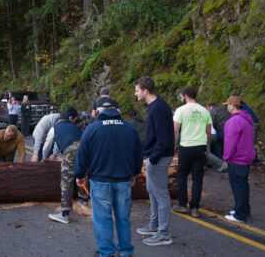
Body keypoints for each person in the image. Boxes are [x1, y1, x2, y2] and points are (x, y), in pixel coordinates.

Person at [75, 100, 143, 257]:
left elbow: (82, 154)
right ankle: (125, 251)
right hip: (123, 180)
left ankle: (107, 252)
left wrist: (79, 175)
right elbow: (138, 153)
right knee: (123, 217)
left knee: (102, 219)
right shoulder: (129, 128)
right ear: (117, 111)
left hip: (100, 181)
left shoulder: (92, 129)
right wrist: (134, 172)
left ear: (99, 113)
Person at [134, 76, 174, 246]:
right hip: (154, 156)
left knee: (161, 194)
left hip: (159, 157)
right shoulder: (155, 106)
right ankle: (154, 225)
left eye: (137, 90)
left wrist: (153, 158)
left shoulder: (158, 108)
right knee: (152, 191)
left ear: (145, 91)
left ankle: (164, 234)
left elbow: (164, 139)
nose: (135, 94)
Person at [172, 86, 212, 218]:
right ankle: (195, 207)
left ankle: (182, 204)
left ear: (185, 96)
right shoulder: (205, 111)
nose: (181, 98)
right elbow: (208, 131)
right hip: (200, 146)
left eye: (181, 96)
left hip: (186, 146)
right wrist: (205, 144)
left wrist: (175, 145)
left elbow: (176, 129)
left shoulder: (180, 110)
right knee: (197, 178)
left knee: (182, 175)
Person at [47, 109, 90, 225]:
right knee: (83, 173)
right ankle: (83, 200)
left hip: (70, 149)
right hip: (84, 148)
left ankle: (64, 214)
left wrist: (44, 157)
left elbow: (48, 144)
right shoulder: (72, 126)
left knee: (67, 181)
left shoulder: (55, 128)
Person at [222, 96, 255, 223]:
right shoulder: (247, 118)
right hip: (246, 156)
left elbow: (230, 142)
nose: (227, 107)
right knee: (243, 185)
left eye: (228, 105)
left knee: (238, 186)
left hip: (237, 158)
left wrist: (226, 157)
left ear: (232, 105)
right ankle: (243, 209)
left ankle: (240, 214)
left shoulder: (234, 121)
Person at [241, 101, 265, 166]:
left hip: (252, 124)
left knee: (251, 142)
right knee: (251, 142)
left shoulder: (240, 108)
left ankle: (261, 159)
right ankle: (255, 158)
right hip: (254, 123)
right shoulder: (246, 107)